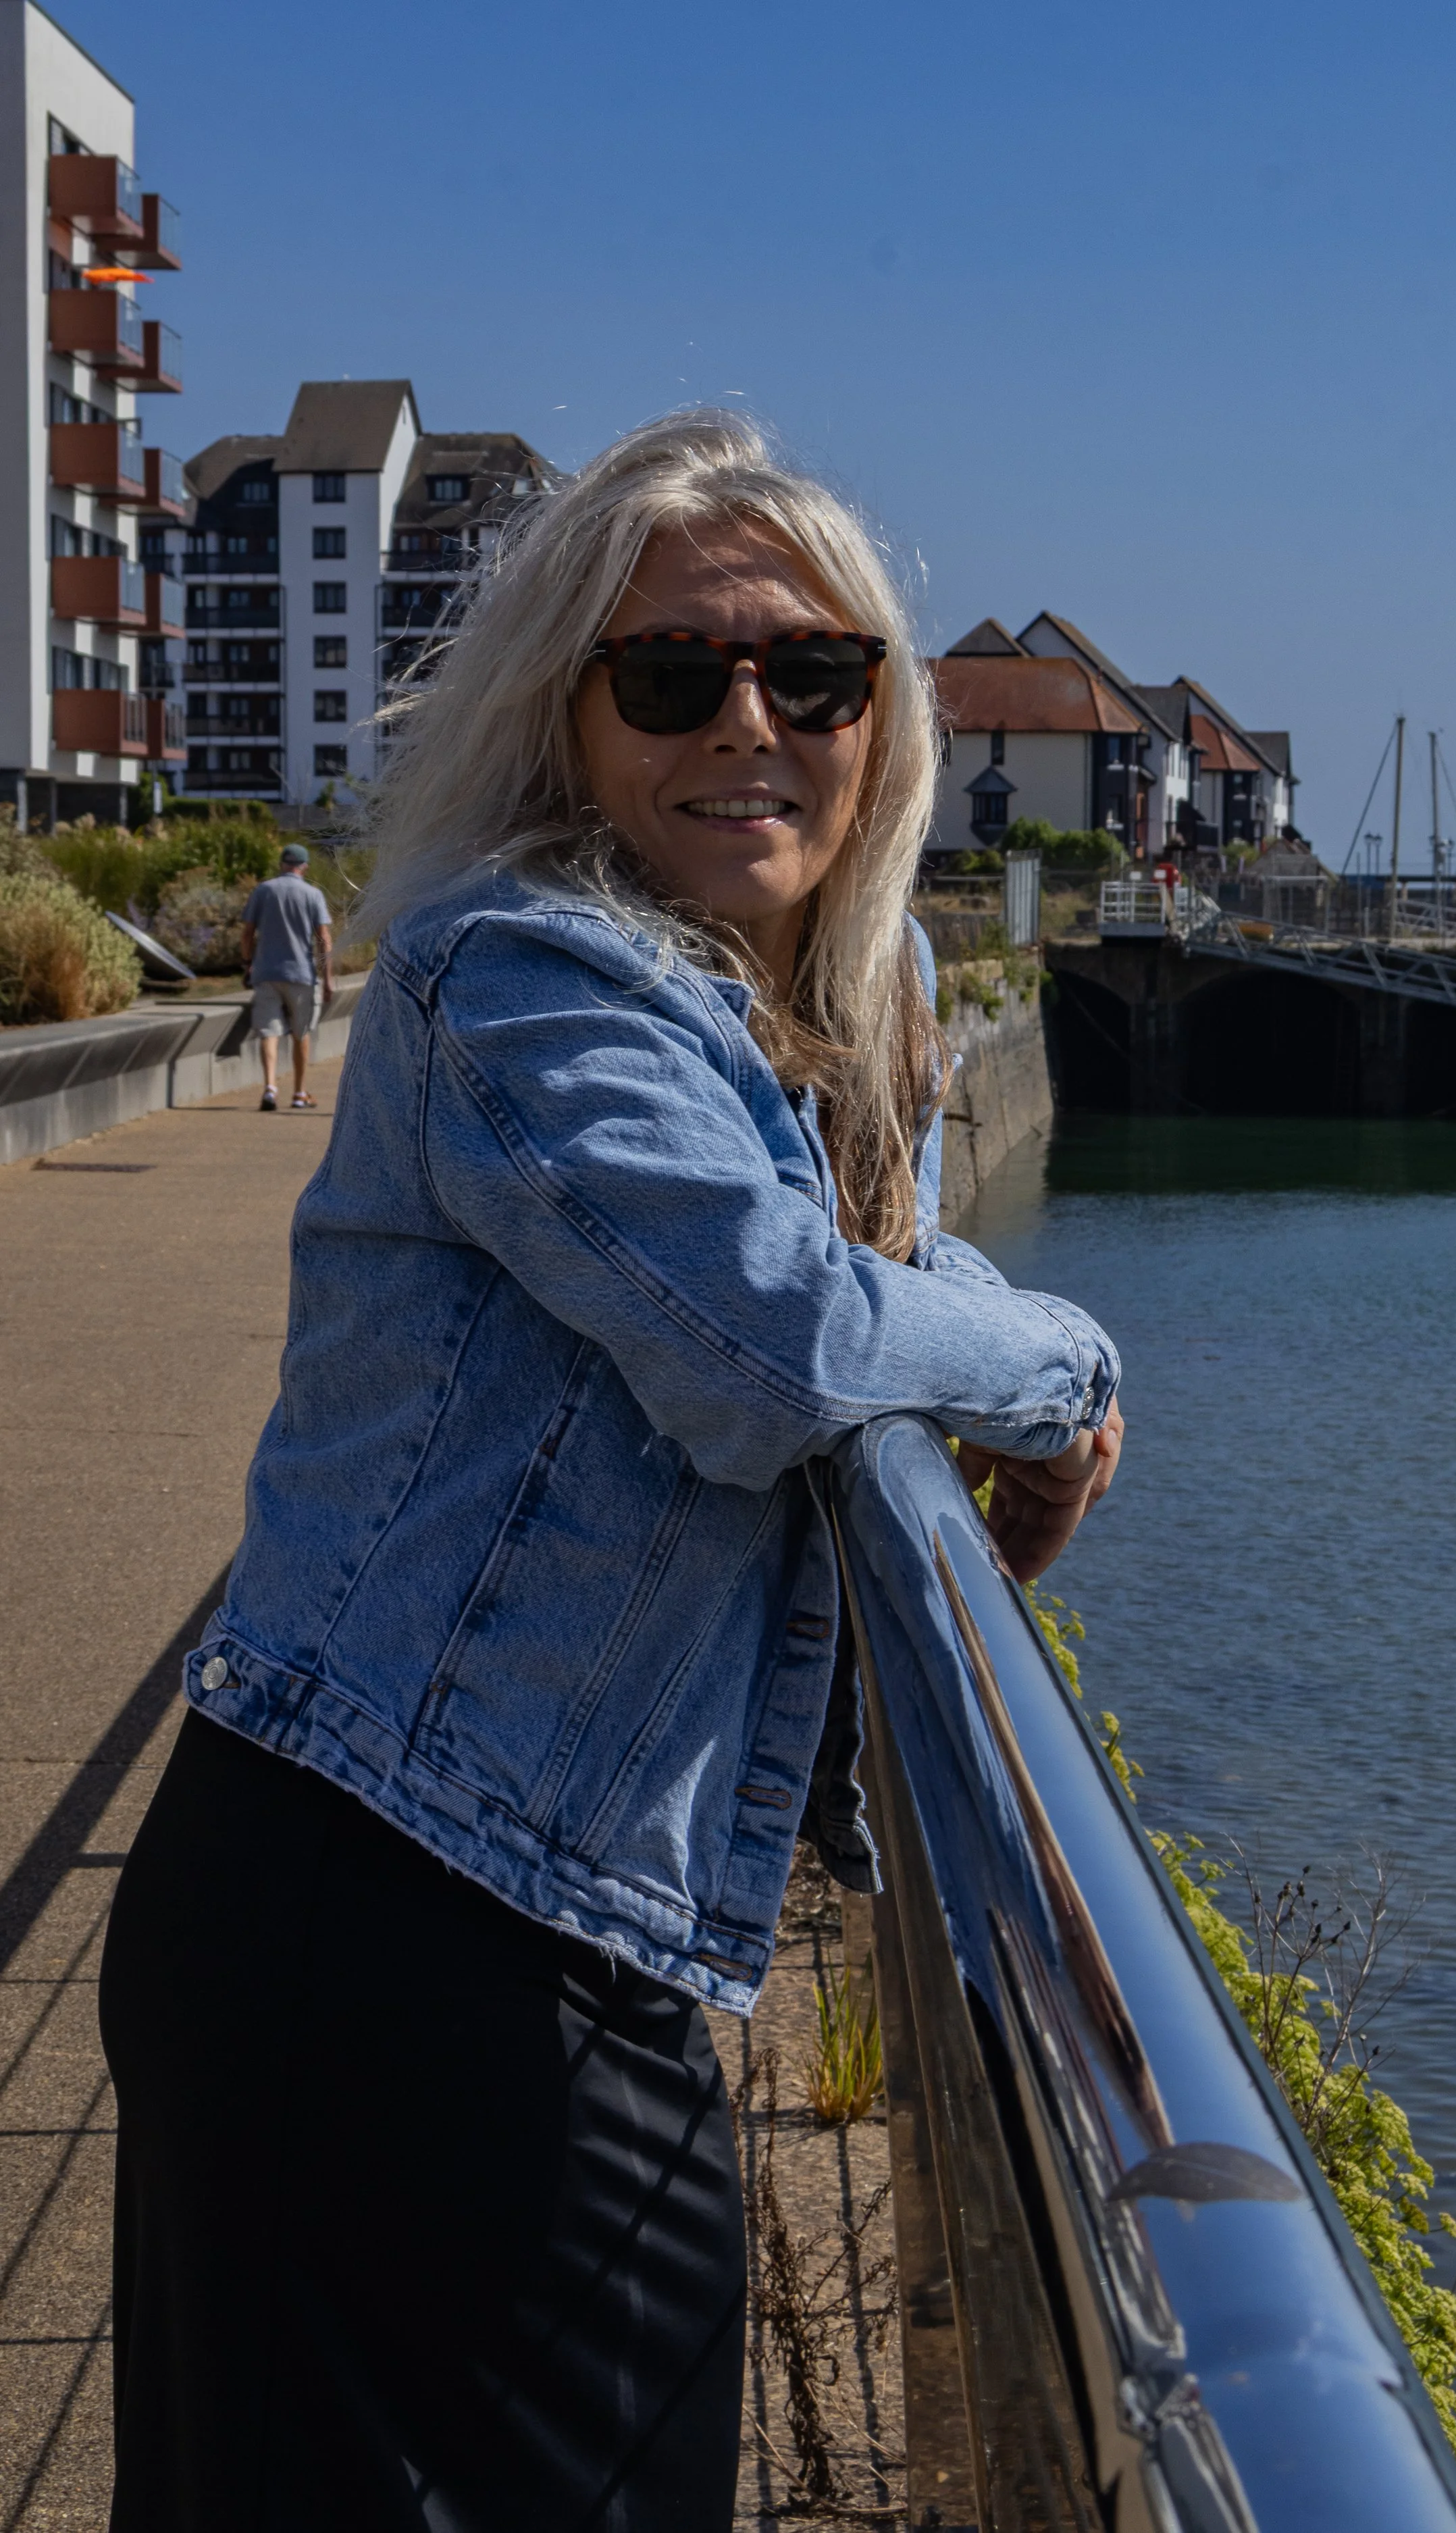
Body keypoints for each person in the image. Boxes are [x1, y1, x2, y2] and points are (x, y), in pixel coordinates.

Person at [99, 413, 1124, 2533]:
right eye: (671, 675)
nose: (747, 721)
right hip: (379, 1908)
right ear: (568, 719)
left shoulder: (839, 996)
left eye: (810, 673)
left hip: (555, 1917)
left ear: (879, 719)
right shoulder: (513, 972)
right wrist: (1066, 1371)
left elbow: (864, 1281)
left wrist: (952, 1312)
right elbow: (781, 1338)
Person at [241, 838, 334, 1111]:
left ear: (282, 864)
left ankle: (270, 1087)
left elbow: (247, 933)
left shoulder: (263, 891)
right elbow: (324, 938)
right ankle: (299, 1092)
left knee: (269, 1032)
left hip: (266, 972)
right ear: (304, 867)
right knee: (301, 1032)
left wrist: (247, 963)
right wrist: (328, 978)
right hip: (301, 973)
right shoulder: (313, 895)